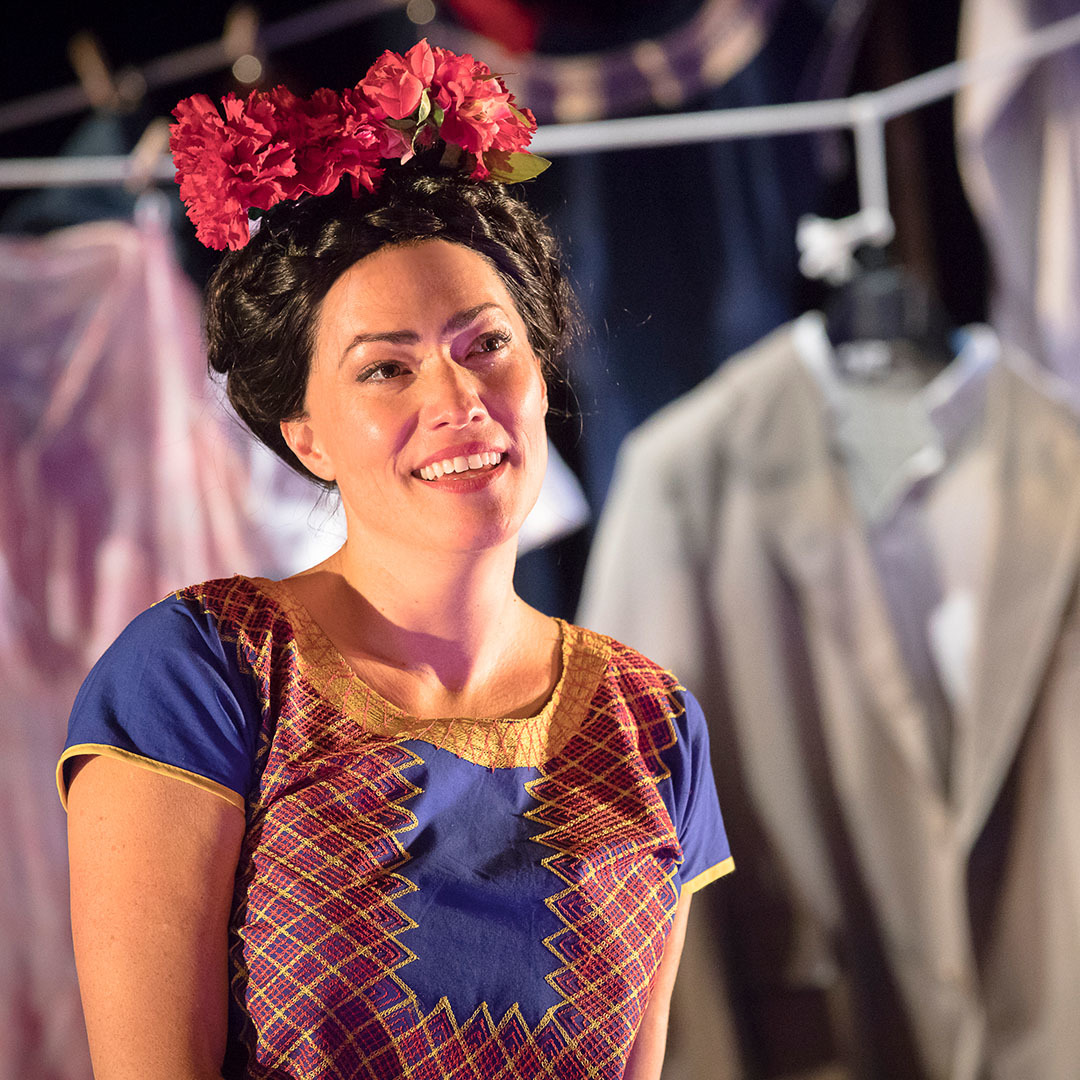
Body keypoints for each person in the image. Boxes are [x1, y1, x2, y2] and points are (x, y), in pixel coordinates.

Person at [58, 40, 733, 1080]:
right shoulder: (207, 674)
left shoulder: (652, 724)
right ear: (307, 437)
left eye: (486, 345)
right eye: (386, 368)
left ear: (542, 370)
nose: (456, 400)